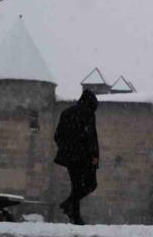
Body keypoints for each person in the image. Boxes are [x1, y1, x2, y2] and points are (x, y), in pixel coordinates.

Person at [54, 89, 99, 225]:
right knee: (90, 185)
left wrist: (65, 148)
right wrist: (94, 155)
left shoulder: (66, 113)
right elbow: (91, 136)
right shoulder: (88, 114)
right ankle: (69, 205)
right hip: (84, 157)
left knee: (76, 186)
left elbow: (57, 135)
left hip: (69, 156)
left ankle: (75, 216)